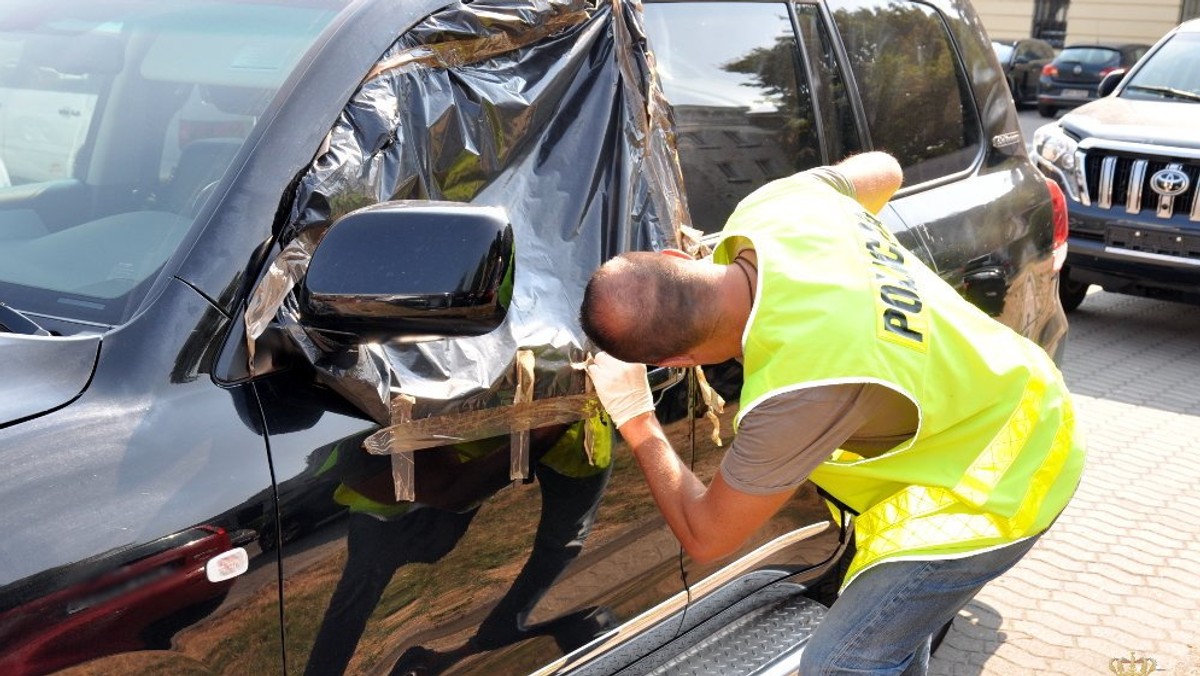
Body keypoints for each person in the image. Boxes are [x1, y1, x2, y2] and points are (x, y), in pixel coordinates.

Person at [578, 151, 1085, 675]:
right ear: (680, 257)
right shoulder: (778, 207)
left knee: (841, 665)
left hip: (1007, 478)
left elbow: (710, 536)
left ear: (676, 362)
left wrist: (638, 418)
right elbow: (886, 169)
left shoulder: (801, 388)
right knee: (892, 647)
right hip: (1015, 391)